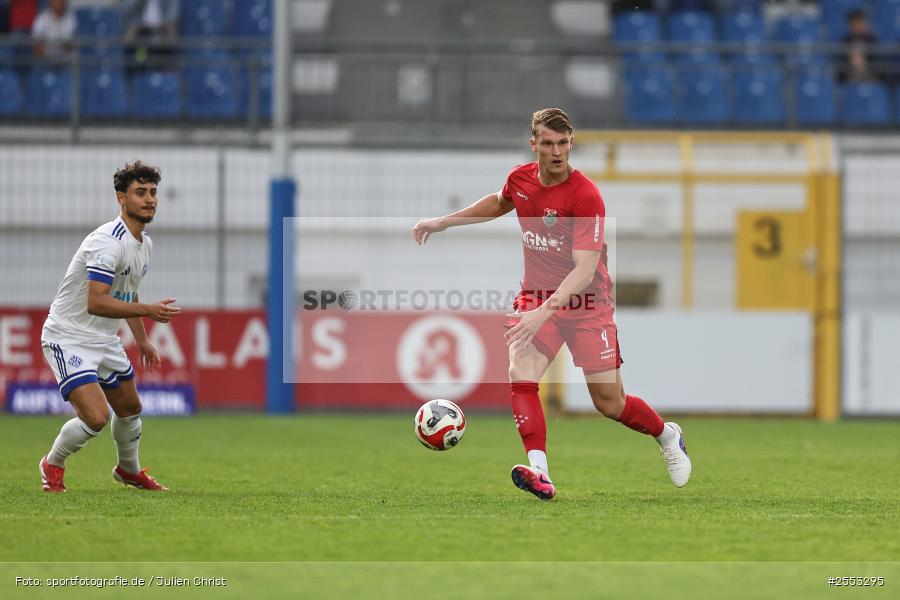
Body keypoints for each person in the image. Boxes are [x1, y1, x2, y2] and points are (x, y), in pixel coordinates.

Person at [411, 108, 691, 501]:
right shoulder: (521, 179)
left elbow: (584, 269)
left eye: (563, 143)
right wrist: (444, 221)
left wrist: (544, 312)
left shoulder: (585, 195)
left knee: (609, 403)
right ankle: (540, 471)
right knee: (520, 368)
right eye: (548, 143)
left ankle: (667, 435)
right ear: (534, 145)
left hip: (587, 302)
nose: (557, 151)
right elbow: (500, 201)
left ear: (571, 143)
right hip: (536, 295)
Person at [38, 161, 181, 493]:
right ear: (121, 198)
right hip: (68, 337)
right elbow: (96, 302)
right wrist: (148, 310)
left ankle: (128, 470)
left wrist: (142, 340)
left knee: (130, 408)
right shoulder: (107, 242)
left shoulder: (144, 244)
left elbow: (126, 293)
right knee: (95, 418)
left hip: (104, 338)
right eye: (140, 192)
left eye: (153, 192)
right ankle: (52, 463)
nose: (150, 199)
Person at [837, 8, 882, 84]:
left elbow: (881, 68)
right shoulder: (845, 43)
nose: (859, 26)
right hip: (849, 81)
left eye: (861, 22)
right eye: (856, 23)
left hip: (872, 80)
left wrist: (864, 66)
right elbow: (839, 70)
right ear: (850, 25)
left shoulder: (873, 42)